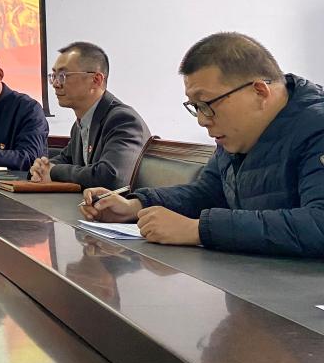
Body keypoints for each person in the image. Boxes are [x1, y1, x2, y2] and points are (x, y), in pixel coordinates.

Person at [81, 32, 324, 257]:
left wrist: (198, 230)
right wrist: (135, 205)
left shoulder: (316, 127)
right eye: (195, 107)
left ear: (259, 92)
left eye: (206, 104)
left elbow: (319, 223)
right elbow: (209, 192)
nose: (201, 120)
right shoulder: (237, 134)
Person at [30, 42, 149, 188]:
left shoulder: (123, 120)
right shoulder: (80, 124)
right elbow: (66, 159)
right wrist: (41, 168)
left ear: (96, 80)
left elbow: (111, 176)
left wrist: (53, 171)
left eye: (63, 75)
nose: (55, 84)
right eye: (53, 76)